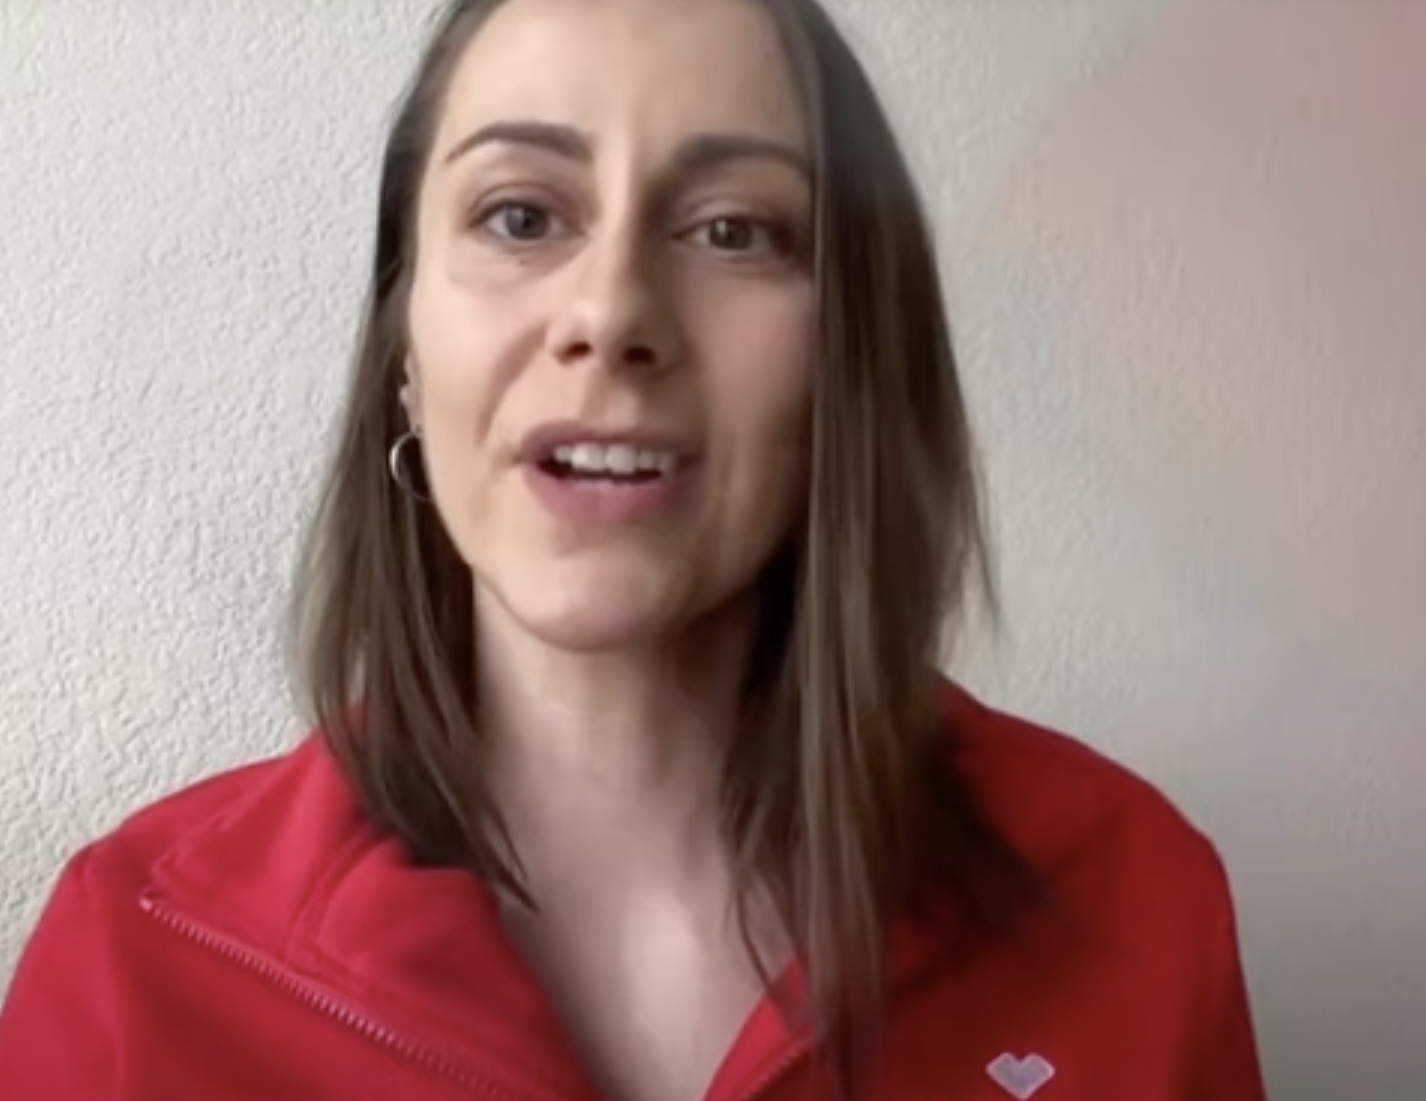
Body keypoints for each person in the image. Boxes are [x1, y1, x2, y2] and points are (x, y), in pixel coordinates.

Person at [0, 0, 1268, 1098]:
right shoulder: (140, 957)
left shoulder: (1129, 902)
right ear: (402, 356)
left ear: (848, 364)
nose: (609, 314)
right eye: (518, 215)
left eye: (731, 230)